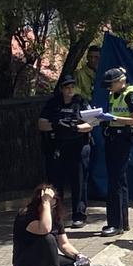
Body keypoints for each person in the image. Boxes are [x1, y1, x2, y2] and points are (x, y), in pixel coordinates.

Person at [38, 75, 94, 228]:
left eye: (72, 87)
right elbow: (42, 123)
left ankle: (79, 215)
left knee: (79, 181)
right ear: (61, 89)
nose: (70, 90)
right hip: (57, 147)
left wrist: (74, 127)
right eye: (67, 87)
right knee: (55, 182)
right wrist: (57, 125)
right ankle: (57, 216)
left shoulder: (81, 102)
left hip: (78, 146)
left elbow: (90, 125)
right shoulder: (53, 104)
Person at [12, 184, 90, 266]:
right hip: (26, 261)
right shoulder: (25, 215)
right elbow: (45, 229)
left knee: (83, 265)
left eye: (53, 206)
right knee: (48, 238)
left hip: (48, 260)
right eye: (48, 205)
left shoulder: (55, 216)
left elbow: (64, 244)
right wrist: (46, 203)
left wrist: (78, 256)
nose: (51, 209)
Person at [99, 67, 133, 236]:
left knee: (115, 181)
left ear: (120, 81)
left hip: (123, 139)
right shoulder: (113, 94)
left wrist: (114, 118)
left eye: (110, 85)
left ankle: (115, 224)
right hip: (112, 137)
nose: (108, 88)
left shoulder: (130, 95)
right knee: (118, 180)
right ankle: (122, 222)